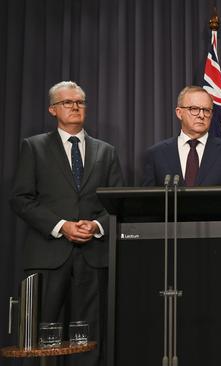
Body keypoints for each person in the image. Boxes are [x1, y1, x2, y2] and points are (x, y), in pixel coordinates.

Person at [10, 81, 124, 365]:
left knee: (89, 340)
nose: (75, 106)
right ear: (52, 109)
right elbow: (21, 199)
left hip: (93, 257)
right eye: (67, 102)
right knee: (41, 339)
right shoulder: (34, 147)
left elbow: (118, 203)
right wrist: (63, 225)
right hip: (48, 255)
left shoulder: (106, 151)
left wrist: (96, 227)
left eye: (80, 102)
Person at [142, 85, 221, 186]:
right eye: (194, 109)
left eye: (206, 110)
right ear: (179, 113)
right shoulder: (156, 154)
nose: (201, 115)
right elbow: (147, 201)